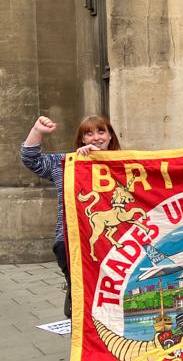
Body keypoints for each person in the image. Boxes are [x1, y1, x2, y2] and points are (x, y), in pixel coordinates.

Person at [21, 115, 121, 317]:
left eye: (101, 132)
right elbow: (31, 159)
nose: (96, 138)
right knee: (81, 297)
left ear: (110, 136)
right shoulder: (65, 163)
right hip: (69, 241)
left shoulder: (126, 165)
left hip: (112, 241)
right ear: (82, 139)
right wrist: (37, 131)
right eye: (89, 133)